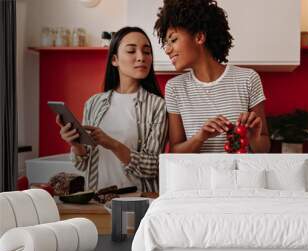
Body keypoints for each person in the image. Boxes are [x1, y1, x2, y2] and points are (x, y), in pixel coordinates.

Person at [56, 27, 168, 193]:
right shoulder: (94, 103)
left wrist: (112, 144)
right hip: (97, 199)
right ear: (114, 60)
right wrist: (75, 144)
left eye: (147, 52)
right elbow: (83, 164)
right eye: (131, 51)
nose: (141, 57)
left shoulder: (157, 105)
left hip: (138, 201)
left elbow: (152, 167)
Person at [154, 0, 270, 153]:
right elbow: (176, 152)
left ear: (199, 37)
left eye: (173, 40)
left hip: (239, 175)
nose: (168, 50)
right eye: (166, 43)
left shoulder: (248, 79)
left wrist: (254, 137)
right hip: (197, 176)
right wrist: (200, 137)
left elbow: (265, 149)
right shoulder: (174, 88)